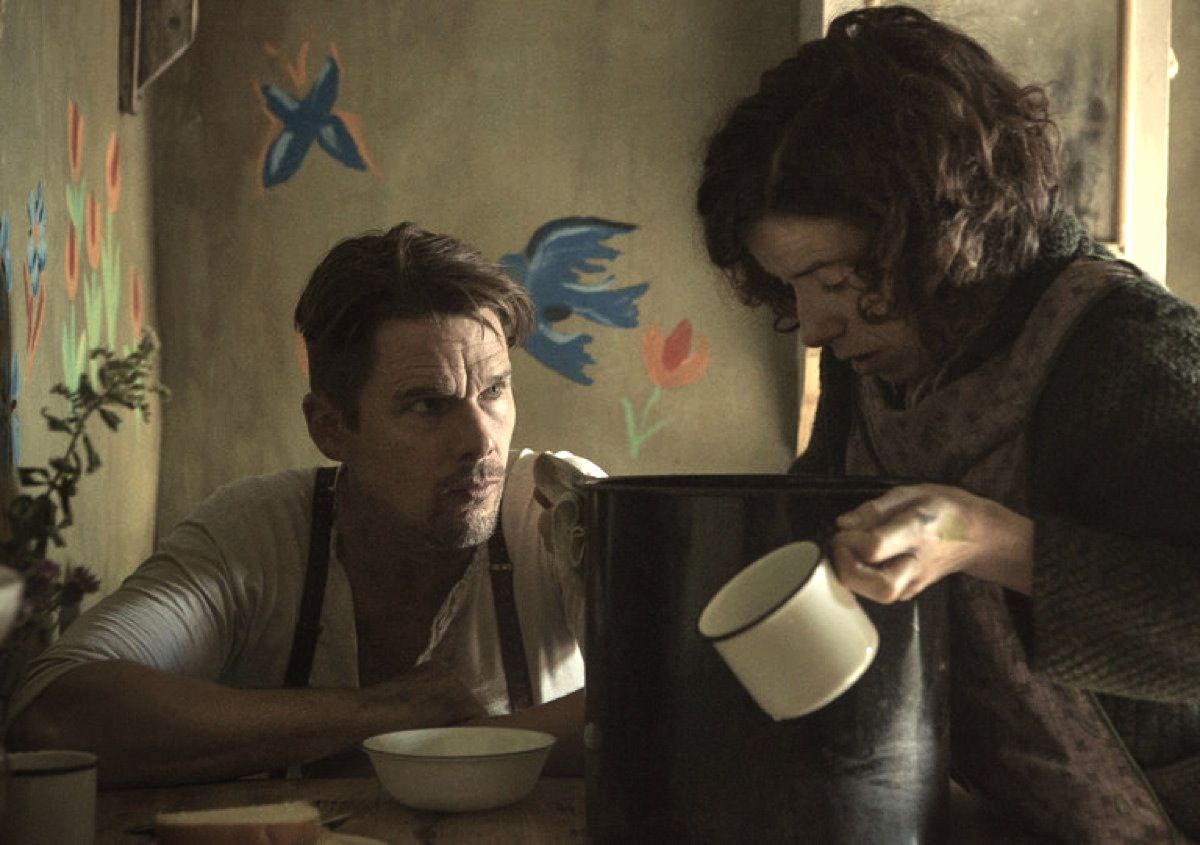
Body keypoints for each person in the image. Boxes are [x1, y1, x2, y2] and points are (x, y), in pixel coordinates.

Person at [696, 6, 1199, 842]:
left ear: (939, 238)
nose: (813, 325)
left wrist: (982, 538)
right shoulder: (880, 357)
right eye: (790, 286)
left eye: (833, 279)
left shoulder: (1128, 352)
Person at [5, 222, 603, 786]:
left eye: (494, 390)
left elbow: (657, 695)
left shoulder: (560, 507)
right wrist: (383, 711)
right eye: (426, 404)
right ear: (330, 428)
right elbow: (55, 713)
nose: (481, 440)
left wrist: (459, 745)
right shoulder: (258, 535)